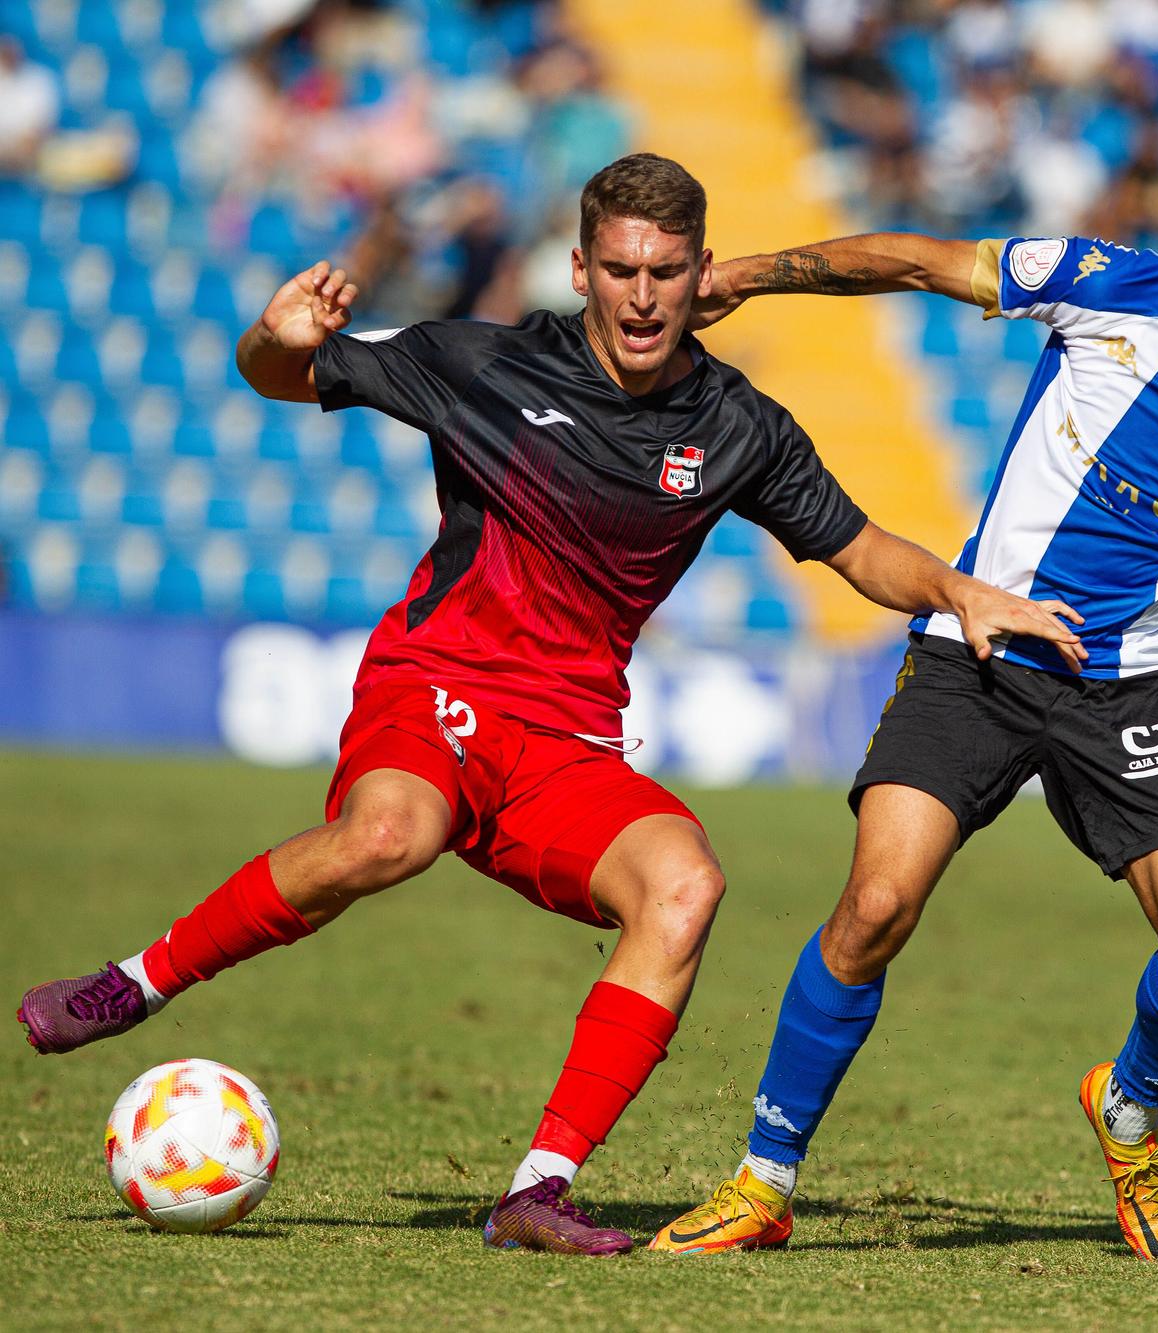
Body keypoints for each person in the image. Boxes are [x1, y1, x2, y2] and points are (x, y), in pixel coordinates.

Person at [16, 153, 1083, 1255]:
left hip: (566, 740)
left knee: (685, 885)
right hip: (435, 685)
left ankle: (538, 1187)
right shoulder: (477, 362)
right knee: (390, 833)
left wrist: (956, 590)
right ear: (579, 268)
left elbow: (858, 550)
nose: (641, 293)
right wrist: (270, 337)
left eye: (665, 270)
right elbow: (282, 376)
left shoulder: (737, 425)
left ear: (699, 272)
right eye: (618, 267)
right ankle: (134, 983)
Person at [649, 172, 1158, 1262]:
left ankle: (1129, 1109)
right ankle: (762, 1181)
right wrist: (742, 281)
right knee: (875, 904)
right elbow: (911, 261)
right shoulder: (1109, 288)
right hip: (980, 647)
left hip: (1131, 686)